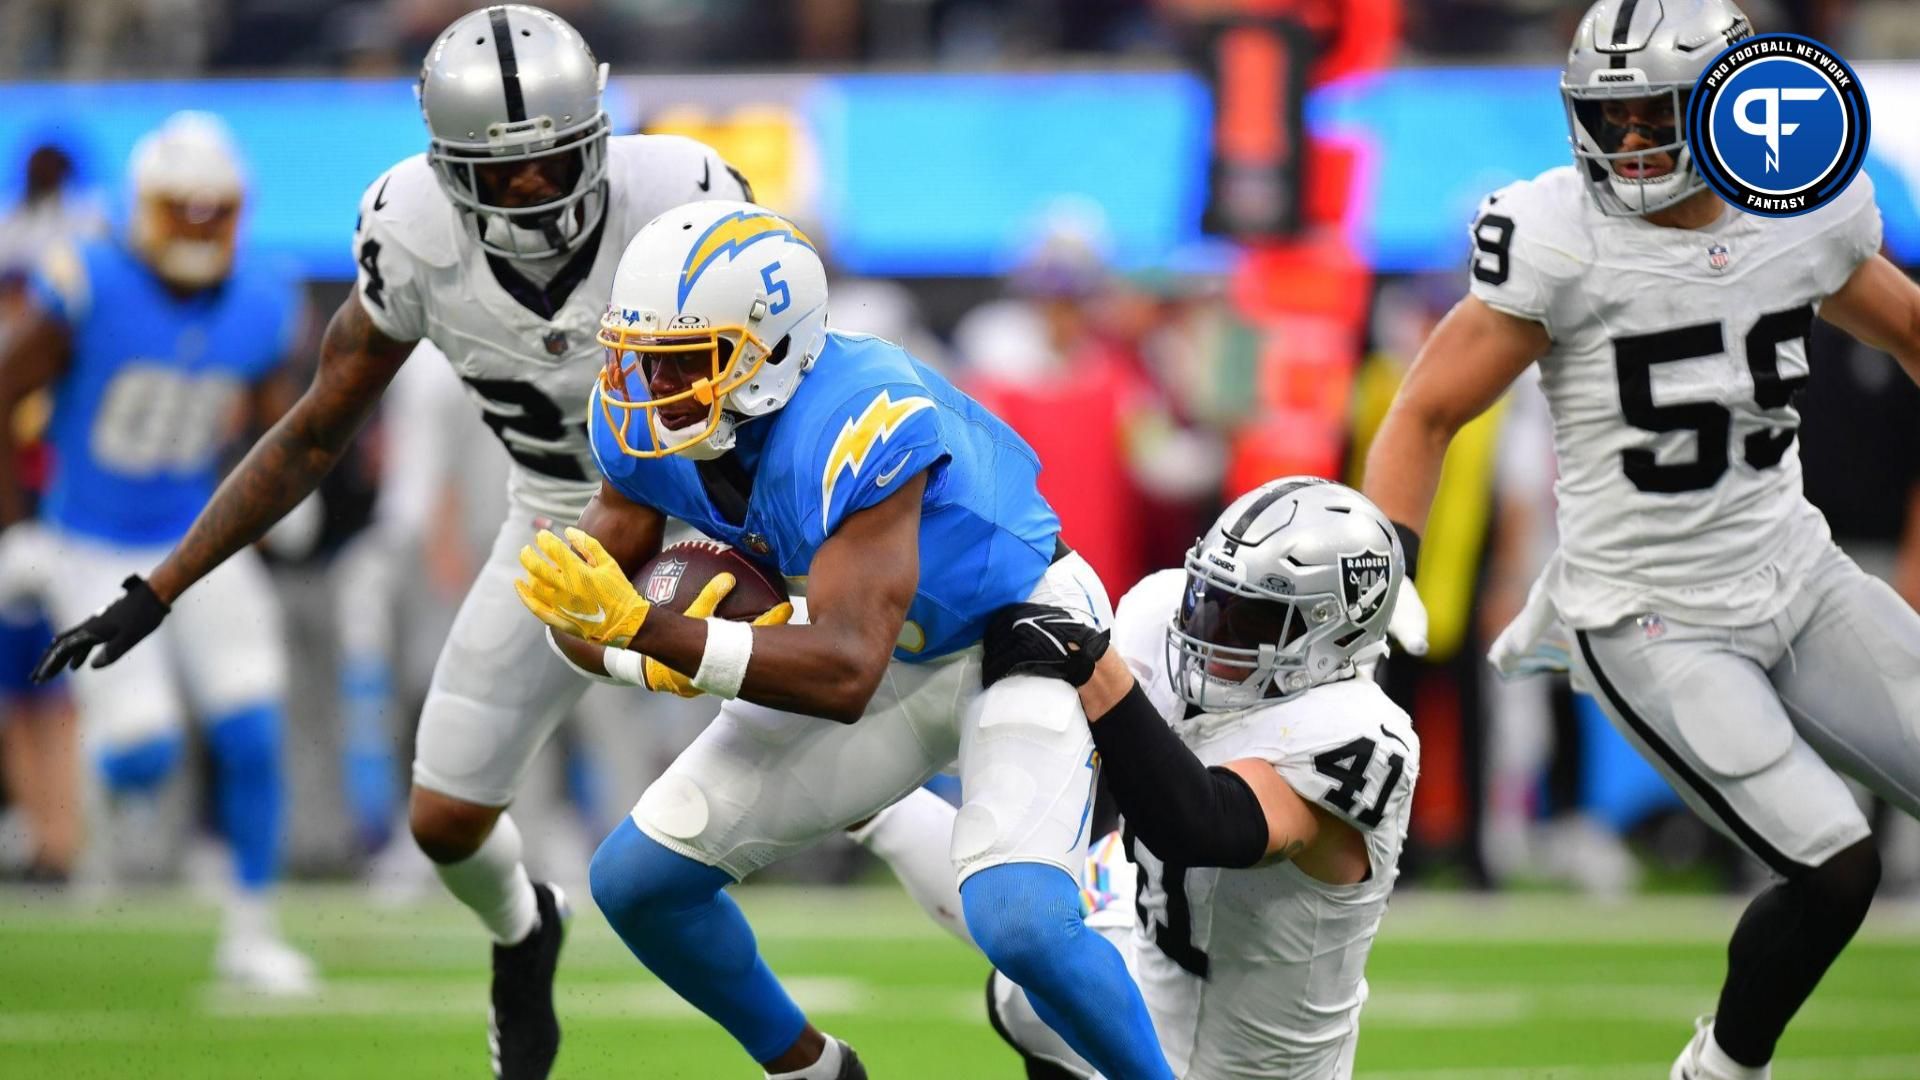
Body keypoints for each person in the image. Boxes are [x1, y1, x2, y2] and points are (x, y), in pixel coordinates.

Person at [31, 7, 747, 1075]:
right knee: (446, 819)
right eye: (498, 173)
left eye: (553, 159)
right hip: (554, 524)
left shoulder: (682, 198)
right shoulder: (409, 232)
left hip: (705, 513)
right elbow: (313, 430)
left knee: (844, 753)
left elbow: (792, 386)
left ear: (597, 134)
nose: (532, 190)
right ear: (444, 168)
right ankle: (524, 929)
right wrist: (162, 586)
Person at [1361, 3, 1920, 1078]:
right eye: (1607, 118)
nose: (1628, 143)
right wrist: (1384, 578)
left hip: (1798, 573)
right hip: (1649, 614)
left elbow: (1905, 327)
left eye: (1650, 115)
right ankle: (1717, 1070)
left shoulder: (1800, 208)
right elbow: (1425, 411)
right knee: (1836, 870)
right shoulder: (1558, 235)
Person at [515, 200, 1174, 1080]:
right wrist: (624, 639)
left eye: (679, 362)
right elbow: (582, 610)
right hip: (872, 648)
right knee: (637, 885)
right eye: (637, 358)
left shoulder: (862, 413)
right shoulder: (650, 428)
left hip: (1015, 636)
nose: (646, 388)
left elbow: (845, 672)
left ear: (772, 354)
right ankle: (811, 1070)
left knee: (1020, 921)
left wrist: (653, 628)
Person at [859, 478, 1419, 1079]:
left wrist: (1087, 659)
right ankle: (865, 802)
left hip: (1263, 1067)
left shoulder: (1358, 734)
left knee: (1043, 976)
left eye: (1250, 618)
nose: (1208, 631)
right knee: (1027, 986)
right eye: (1211, 598)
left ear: (1331, 639)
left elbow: (1200, 823)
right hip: (1150, 979)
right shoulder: (1163, 613)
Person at [0, 112, 312, 991]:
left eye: (218, 212)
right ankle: (73, 809)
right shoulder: (88, 280)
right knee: (144, 753)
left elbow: (274, 407)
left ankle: (251, 932)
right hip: (89, 540)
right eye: (186, 211)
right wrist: (18, 525)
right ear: (147, 208)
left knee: (253, 726)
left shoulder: (263, 295)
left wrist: (281, 492)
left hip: (195, 540)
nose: (202, 230)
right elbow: (5, 386)